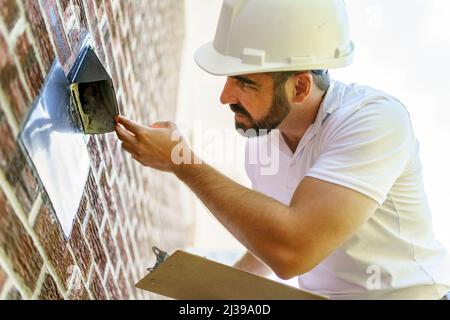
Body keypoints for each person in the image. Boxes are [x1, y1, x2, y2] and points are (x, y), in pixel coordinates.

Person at [114, 0, 450, 299]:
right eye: (230, 79)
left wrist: (181, 162)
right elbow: (272, 239)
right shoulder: (261, 147)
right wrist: (214, 288)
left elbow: (294, 249)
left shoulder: (373, 121)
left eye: (245, 83)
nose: (225, 97)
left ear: (300, 86)